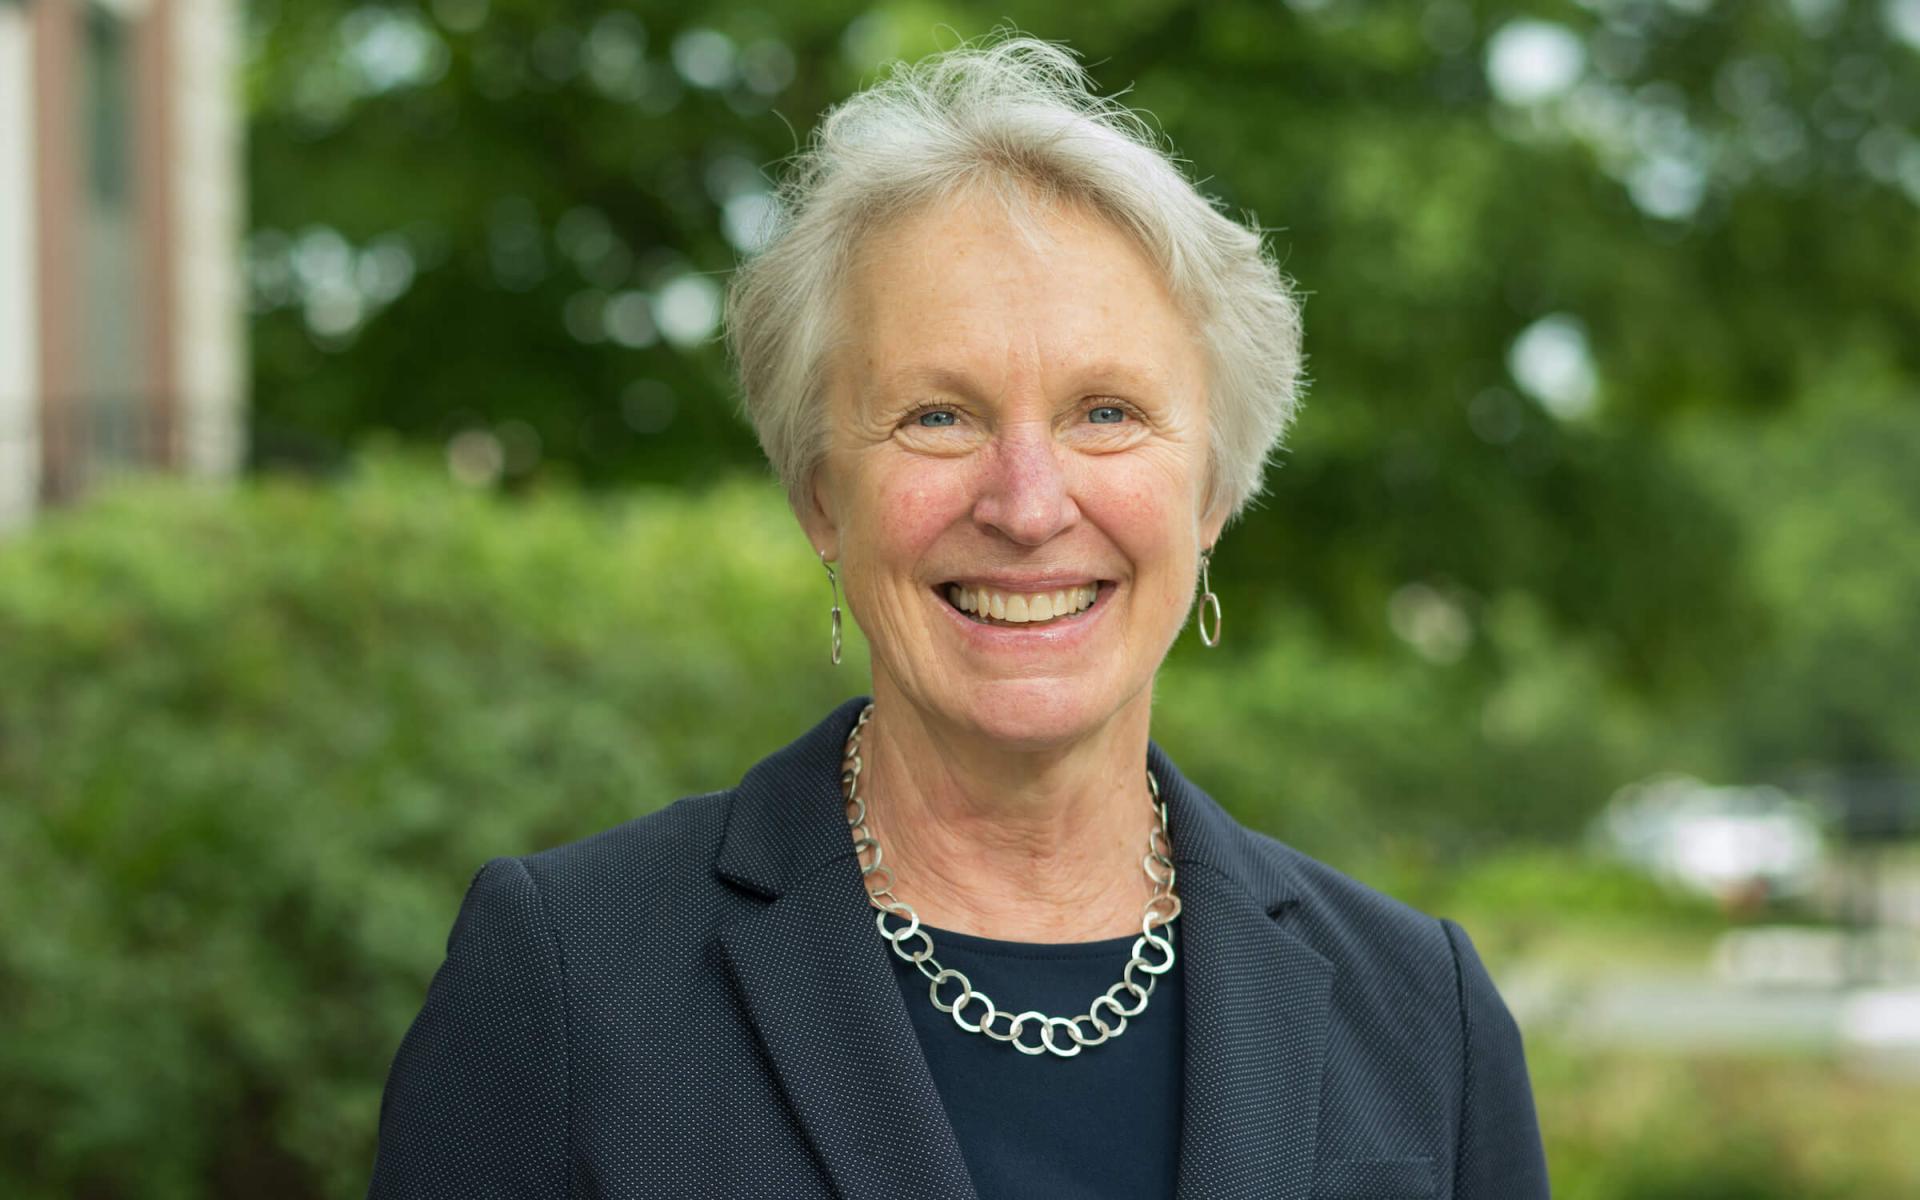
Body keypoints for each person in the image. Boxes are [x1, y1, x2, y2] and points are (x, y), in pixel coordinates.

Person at [367, 35, 1549, 1200]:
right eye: (938, 416)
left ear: (1216, 493)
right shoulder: (570, 979)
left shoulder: (1422, 1016)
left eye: (1107, 412)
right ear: (824, 496)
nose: (1028, 506)